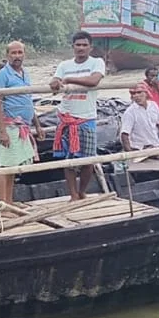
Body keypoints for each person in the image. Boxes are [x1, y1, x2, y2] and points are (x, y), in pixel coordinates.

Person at [52, 31, 105, 199]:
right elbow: (56, 81)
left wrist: (69, 80)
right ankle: (73, 194)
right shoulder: (64, 65)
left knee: (88, 160)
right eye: (78, 45)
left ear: (90, 47)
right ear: (73, 47)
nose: (81, 48)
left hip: (86, 117)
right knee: (69, 161)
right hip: (66, 116)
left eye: (84, 45)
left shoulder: (97, 62)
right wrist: (55, 82)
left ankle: (82, 191)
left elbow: (93, 81)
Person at [0, 41, 46, 205]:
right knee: (5, 166)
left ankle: (9, 201)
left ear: (24, 54)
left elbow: (28, 100)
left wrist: (37, 124)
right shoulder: (2, 75)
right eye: (13, 53)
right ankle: (3, 205)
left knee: (13, 165)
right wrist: (2, 131)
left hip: (24, 125)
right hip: (10, 125)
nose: (17, 56)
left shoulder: (25, 73)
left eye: (19, 53)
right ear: (7, 55)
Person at [120, 83, 159, 162]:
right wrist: (130, 154)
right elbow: (124, 135)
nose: (136, 96)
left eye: (139, 92)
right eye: (134, 94)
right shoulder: (130, 112)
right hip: (141, 148)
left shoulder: (153, 105)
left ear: (146, 93)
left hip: (155, 145)